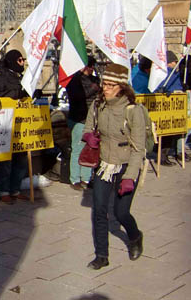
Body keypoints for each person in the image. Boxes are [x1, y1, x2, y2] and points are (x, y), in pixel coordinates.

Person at [84, 64, 145, 270]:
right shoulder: (98, 104)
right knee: (99, 210)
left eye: (111, 85)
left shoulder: (133, 110)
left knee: (121, 213)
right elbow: (87, 126)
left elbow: (138, 148)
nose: (106, 88)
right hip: (104, 164)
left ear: (121, 87)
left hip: (126, 165)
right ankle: (102, 255)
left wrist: (130, 176)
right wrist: (89, 137)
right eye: (104, 84)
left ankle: (135, 236)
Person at [0, 49, 30, 203]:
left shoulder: (20, 77)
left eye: (23, 60)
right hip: (6, 124)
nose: (22, 63)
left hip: (21, 124)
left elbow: (21, 94)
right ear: (11, 61)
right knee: (7, 160)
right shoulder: (1, 77)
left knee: (21, 159)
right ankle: (4, 190)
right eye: (19, 60)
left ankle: (15, 189)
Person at [65, 56, 100, 190]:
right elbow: (78, 96)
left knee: (90, 148)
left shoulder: (94, 79)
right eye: (89, 66)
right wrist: (93, 89)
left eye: (92, 67)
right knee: (78, 148)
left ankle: (86, 178)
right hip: (79, 118)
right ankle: (75, 179)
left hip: (92, 118)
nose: (91, 69)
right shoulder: (75, 80)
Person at [155, 51, 189, 164]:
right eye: (174, 61)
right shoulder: (163, 73)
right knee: (165, 135)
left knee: (171, 134)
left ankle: (167, 155)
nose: (176, 63)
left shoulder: (176, 74)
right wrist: (165, 91)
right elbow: (158, 87)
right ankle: (162, 157)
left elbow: (177, 86)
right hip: (166, 108)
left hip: (175, 108)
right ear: (169, 62)